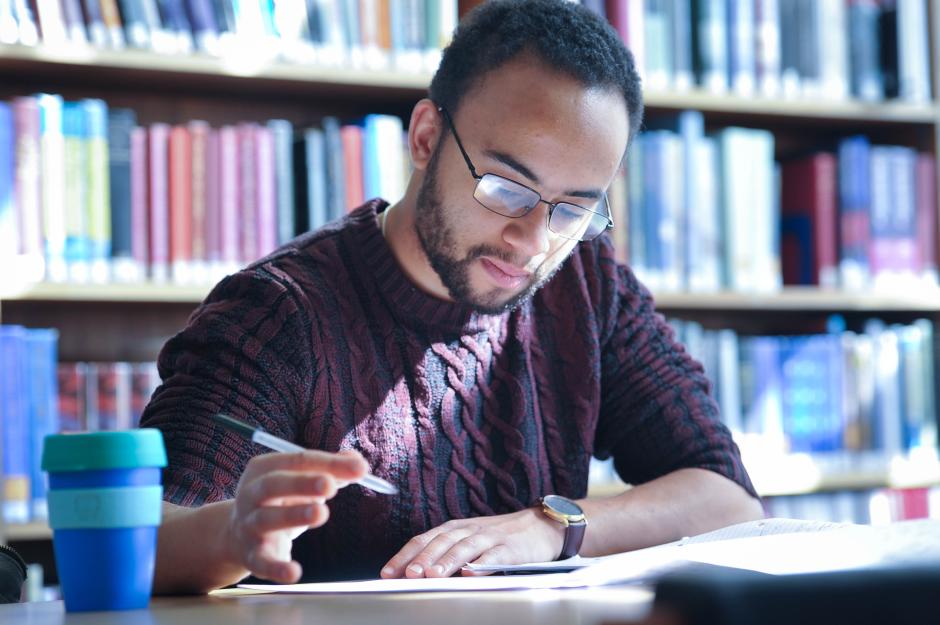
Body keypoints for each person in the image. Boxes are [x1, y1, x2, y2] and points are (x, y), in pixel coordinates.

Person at [141, 0, 763, 594]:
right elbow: (142, 541)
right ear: (425, 137)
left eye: (574, 208)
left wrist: (555, 529)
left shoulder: (588, 286)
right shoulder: (278, 312)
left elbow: (727, 496)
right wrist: (230, 533)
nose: (532, 240)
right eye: (507, 187)